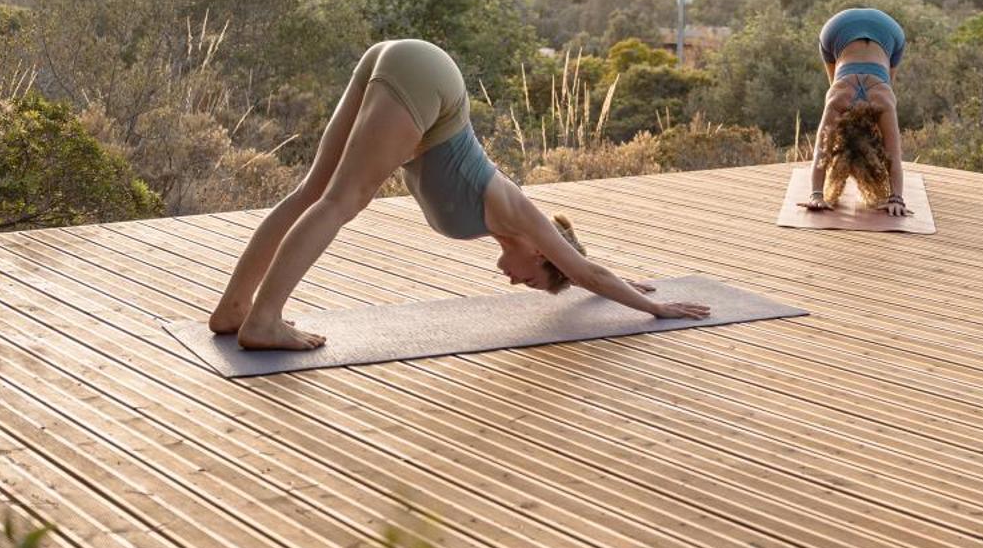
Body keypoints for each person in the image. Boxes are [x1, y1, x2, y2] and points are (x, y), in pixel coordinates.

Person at [210, 39, 710, 350]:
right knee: (339, 202)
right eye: (532, 281)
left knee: (312, 194)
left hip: (404, 64)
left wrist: (626, 284)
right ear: (540, 253)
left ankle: (235, 310)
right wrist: (656, 310)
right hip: (427, 79)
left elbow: (585, 275)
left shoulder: (508, 226)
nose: (517, 283)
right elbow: (585, 271)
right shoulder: (521, 214)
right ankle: (263, 320)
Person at [802, 7, 910, 217]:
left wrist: (817, 194)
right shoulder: (875, 102)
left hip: (844, 28)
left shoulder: (844, 100)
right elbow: (894, 157)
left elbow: (822, 152)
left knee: (846, 86)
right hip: (850, 28)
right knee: (870, 86)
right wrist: (897, 199)